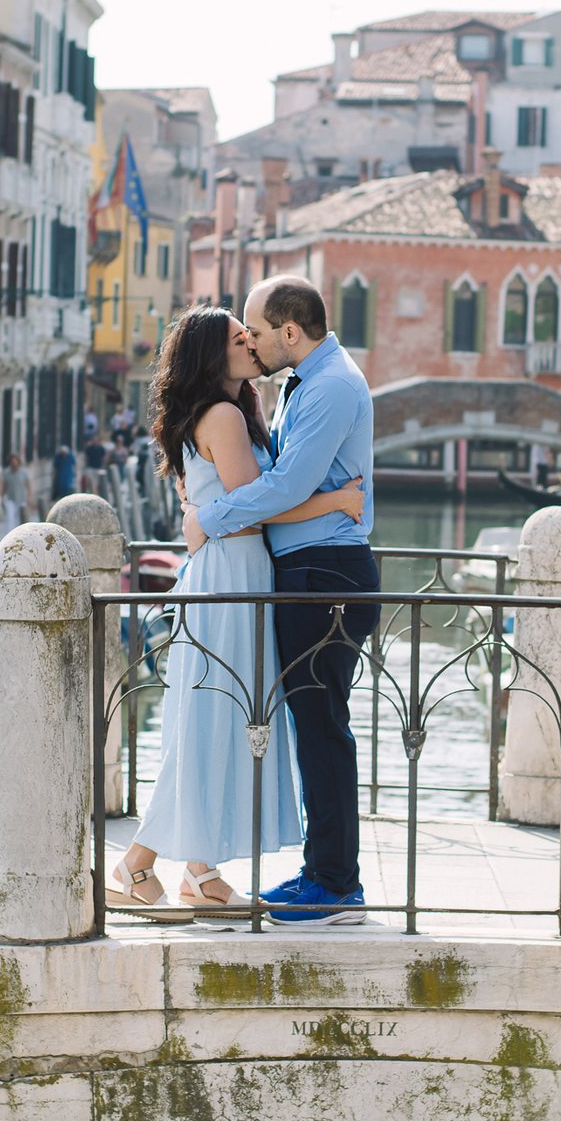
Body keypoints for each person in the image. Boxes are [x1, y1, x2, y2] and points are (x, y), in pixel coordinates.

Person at [111, 306, 364, 912]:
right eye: (237, 337)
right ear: (211, 355)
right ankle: (135, 866)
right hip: (231, 572)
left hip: (236, 568)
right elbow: (259, 504)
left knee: (219, 721)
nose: (250, 342)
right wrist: (337, 499)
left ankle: (198, 872)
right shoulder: (223, 415)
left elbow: (238, 500)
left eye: (249, 333)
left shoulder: (230, 411)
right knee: (210, 723)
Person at [188, 274, 377, 923]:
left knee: (322, 731)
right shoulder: (310, 383)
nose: (253, 343)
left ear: (290, 332)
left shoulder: (328, 387)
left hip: (328, 577)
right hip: (317, 573)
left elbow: (288, 485)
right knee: (313, 728)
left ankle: (336, 885)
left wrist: (206, 519)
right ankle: (323, 871)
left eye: (259, 332)